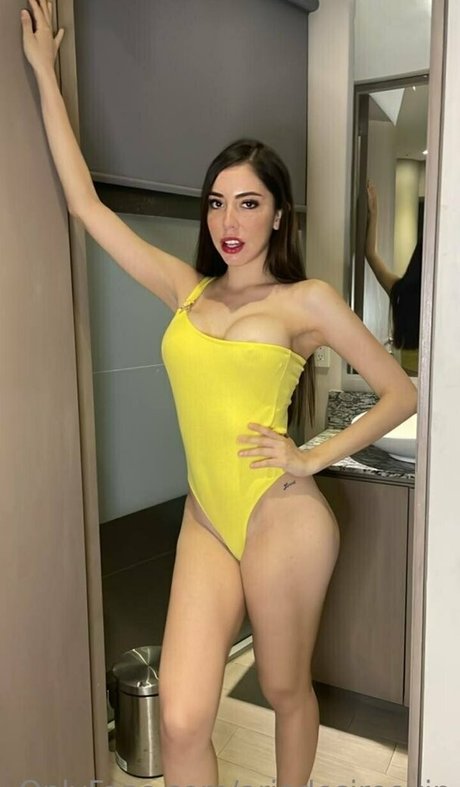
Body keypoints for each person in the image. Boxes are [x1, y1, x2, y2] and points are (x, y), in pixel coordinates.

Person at [20, 3, 418, 785]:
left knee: (283, 688)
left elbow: (399, 392)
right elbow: (85, 206)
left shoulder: (307, 301)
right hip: (207, 514)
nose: (228, 220)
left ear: (279, 214)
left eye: (248, 202)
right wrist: (42, 72)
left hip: (279, 514)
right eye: (216, 201)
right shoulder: (187, 287)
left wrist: (310, 456)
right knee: (180, 717)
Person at [365, 181, 423, 375]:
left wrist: (374, 212)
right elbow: (371, 255)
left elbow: (371, 255)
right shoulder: (442, 303)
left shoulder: (402, 293)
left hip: (408, 385)